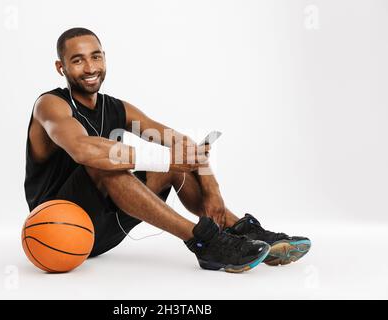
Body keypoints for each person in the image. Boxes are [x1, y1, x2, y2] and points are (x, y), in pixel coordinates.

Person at [24, 27, 311, 273]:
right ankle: (202, 241)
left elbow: (180, 143)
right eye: (78, 60)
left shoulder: (117, 107)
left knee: (171, 165)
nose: (90, 68)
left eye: (96, 56)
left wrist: (213, 192)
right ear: (61, 68)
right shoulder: (50, 105)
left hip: (103, 229)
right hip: (56, 227)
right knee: (105, 161)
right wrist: (163, 159)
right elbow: (82, 150)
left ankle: (236, 228)